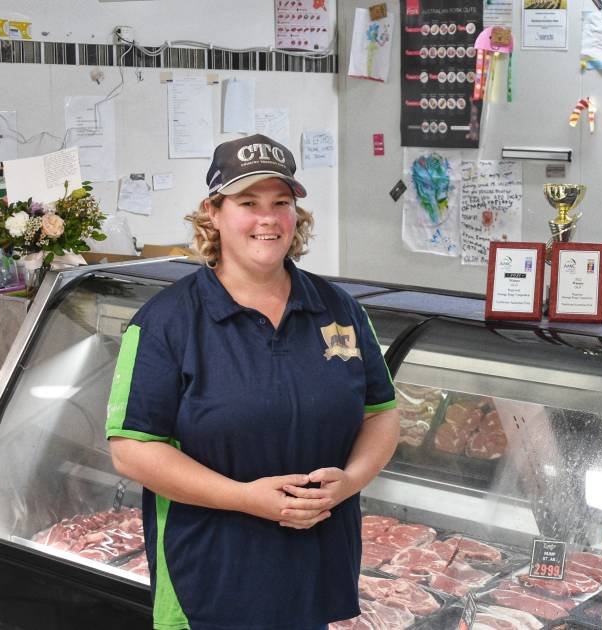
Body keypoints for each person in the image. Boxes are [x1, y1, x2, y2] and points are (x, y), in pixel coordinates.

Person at [106, 134, 400, 630]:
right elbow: (132, 448)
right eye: (248, 202)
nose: (268, 218)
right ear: (213, 213)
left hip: (316, 565)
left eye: (280, 202)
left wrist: (350, 482)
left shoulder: (338, 309)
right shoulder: (167, 322)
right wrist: (247, 498)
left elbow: (381, 413)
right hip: (211, 575)